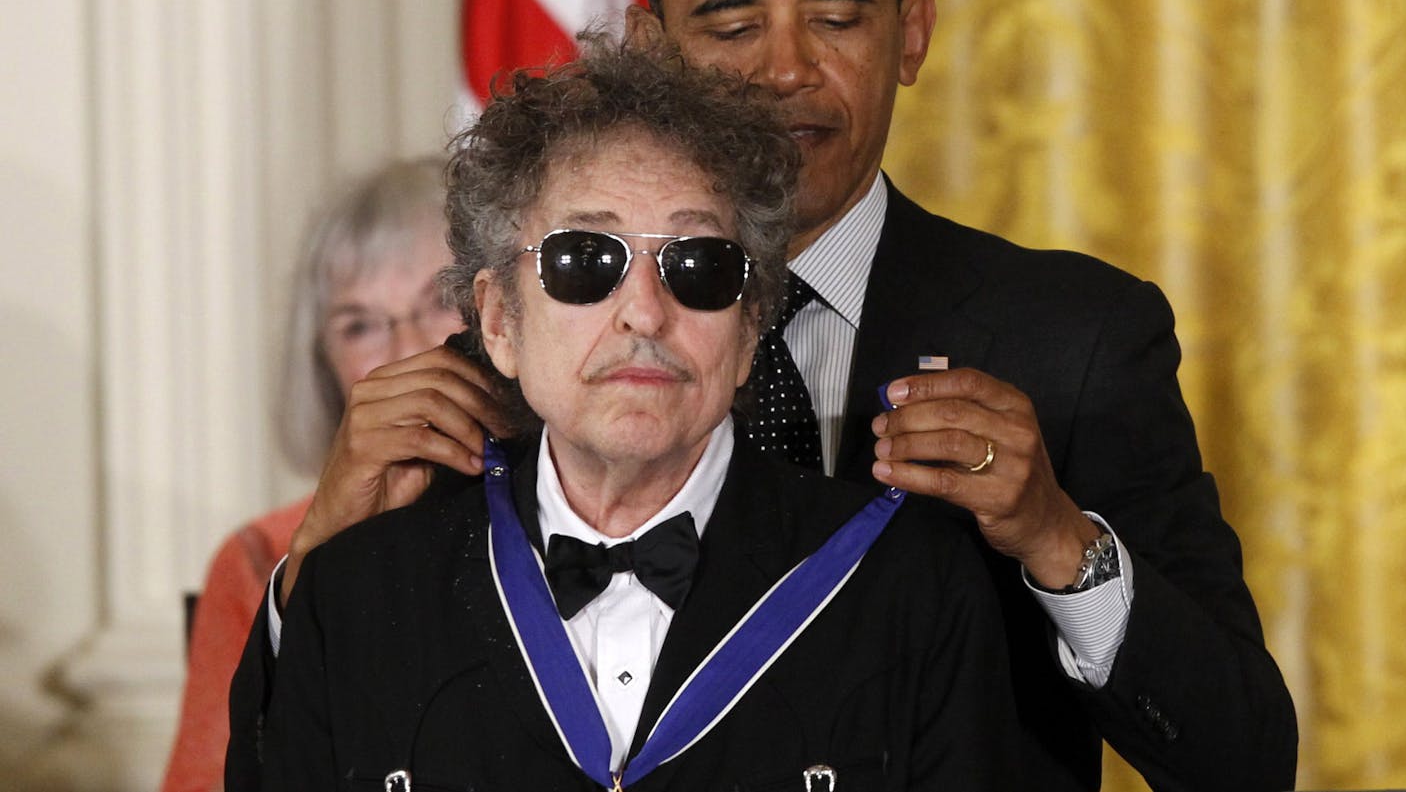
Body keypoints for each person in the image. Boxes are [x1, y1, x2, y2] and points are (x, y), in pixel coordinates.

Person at [232, 0, 1298, 789]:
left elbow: (1243, 757)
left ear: (911, 32)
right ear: (650, 44)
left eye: (834, 19)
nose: (783, 70)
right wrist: (319, 553)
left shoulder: (1073, 337)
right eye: (733, 26)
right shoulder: (510, 366)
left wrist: (1058, 538)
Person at [241, 38, 1020, 790]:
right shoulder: (358, 597)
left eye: (698, 265)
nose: (645, 313)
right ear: (500, 321)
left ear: (750, 327)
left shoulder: (908, 588)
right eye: (586, 260)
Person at [159, 159, 464, 792]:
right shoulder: (261, 558)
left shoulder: (592, 517)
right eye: (360, 325)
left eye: (439, 301)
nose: (406, 350)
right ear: (322, 366)